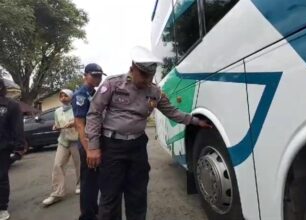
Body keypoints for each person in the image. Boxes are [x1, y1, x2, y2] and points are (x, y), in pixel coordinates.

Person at [85, 46, 212, 220]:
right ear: (132, 69)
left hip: (137, 147)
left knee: (137, 195)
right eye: (144, 75)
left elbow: (172, 112)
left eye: (151, 76)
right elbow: (94, 113)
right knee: (110, 196)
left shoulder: (154, 91)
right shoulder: (112, 84)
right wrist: (93, 147)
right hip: (112, 147)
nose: (147, 80)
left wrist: (197, 121)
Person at [72, 63, 105, 220]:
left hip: (96, 142)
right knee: (88, 182)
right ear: (85, 75)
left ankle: (94, 210)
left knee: (95, 180)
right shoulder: (81, 94)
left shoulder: (95, 93)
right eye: (94, 75)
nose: (97, 78)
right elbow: (79, 124)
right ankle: (86, 216)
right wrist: (88, 149)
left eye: (99, 75)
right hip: (87, 144)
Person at [42, 89, 81, 206]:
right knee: (57, 165)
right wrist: (56, 126)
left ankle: (80, 185)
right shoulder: (57, 111)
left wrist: (74, 123)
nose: (63, 98)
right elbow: (57, 123)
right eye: (61, 96)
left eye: (66, 96)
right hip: (63, 141)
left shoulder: (77, 108)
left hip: (76, 140)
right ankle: (57, 193)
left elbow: (82, 122)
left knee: (79, 165)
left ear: (71, 97)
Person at [0, 78, 25, 220]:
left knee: (1, 177)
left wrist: (19, 149)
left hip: (3, 148)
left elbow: (18, 129)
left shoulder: (11, 105)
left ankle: (2, 207)